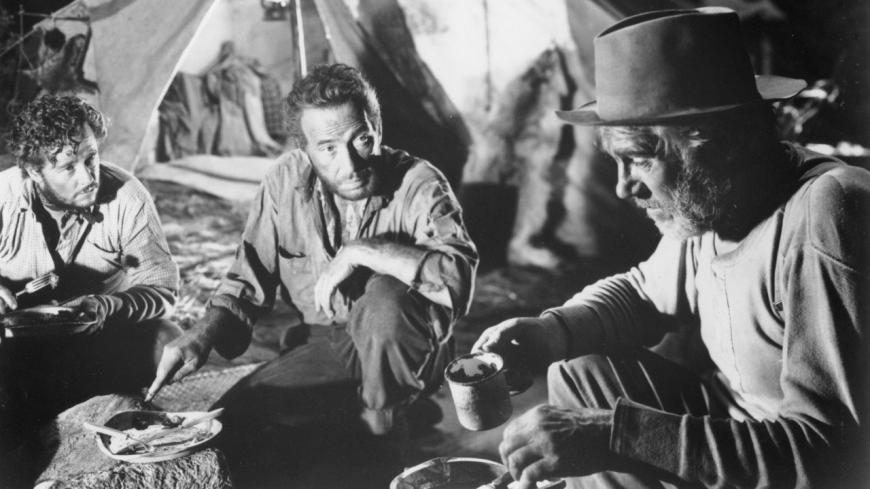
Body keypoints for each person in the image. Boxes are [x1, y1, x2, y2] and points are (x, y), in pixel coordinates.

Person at [473, 7, 869, 489]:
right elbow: (643, 293)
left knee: (593, 429)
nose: (622, 188)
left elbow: (832, 460)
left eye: (638, 159)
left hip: (799, 461)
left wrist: (617, 436)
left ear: (715, 143)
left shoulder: (828, 213)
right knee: (579, 372)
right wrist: (550, 331)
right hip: (740, 431)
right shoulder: (717, 202)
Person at [146, 63, 478, 437]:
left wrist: (363, 251)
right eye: (328, 148)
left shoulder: (420, 182)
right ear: (304, 149)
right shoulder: (284, 180)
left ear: (378, 128)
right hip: (330, 340)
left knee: (386, 296)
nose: (350, 165)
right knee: (234, 424)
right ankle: (365, 412)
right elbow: (248, 278)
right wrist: (203, 332)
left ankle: (386, 421)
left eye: (361, 139)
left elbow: (457, 279)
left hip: (410, 347)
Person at [0, 95, 181, 481]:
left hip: (98, 338)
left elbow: (163, 289)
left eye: (91, 158)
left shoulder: (127, 195)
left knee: (169, 340)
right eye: (68, 167)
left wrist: (108, 305)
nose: (87, 177)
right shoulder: (3, 196)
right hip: (14, 346)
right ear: (33, 172)